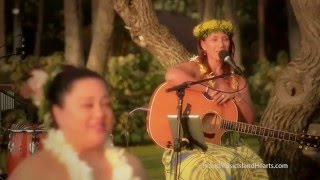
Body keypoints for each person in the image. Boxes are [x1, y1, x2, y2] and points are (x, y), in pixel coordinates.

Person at [162, 19, 268, 179]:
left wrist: (236, 96)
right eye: (214, 39)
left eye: (225, 39)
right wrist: (207, 90)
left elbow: (249, 120)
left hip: (230, 143)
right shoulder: (196, 68)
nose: (221, 44)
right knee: (214, 169)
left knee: (254, 169)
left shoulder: (237, 80)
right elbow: (171, 75)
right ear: (203, 45)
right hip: (193, 143)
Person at [9, 65, 147, 180]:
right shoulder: (33, 173)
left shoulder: (131, 166)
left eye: (106, 104)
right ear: (58, 113)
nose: (100, 113)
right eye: (87, 105)